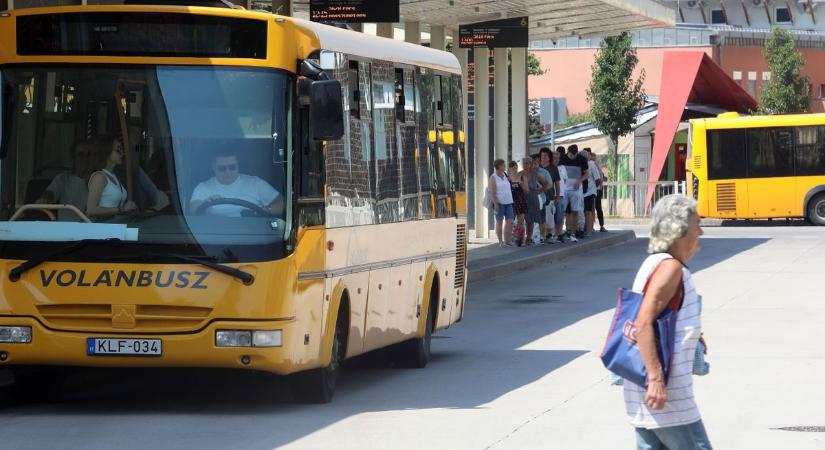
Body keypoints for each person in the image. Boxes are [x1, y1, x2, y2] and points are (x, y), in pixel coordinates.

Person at [624, 194, 711, 449]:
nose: (701, 232)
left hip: (646, 392)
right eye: (697, 223)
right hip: (666, 395)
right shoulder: (670, 269)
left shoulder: (653, 263)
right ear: (680, 229)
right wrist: (656, 379)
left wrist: (694, 334)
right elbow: (643, 322)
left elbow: (663, 317)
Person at [190, 150, 284, 217]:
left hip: (253, 234)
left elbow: (282, 203)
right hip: (215, 236)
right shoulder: (203, 187)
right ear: (213, 167)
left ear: (238, 166)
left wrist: (267, 211)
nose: (228, 172)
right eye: (222, 168)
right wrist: (205, 202)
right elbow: (192, 209)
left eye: (232, 167)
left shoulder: (255, 183)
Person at [37, 142, 95, 220]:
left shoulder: (100, 180)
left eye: (89, 155)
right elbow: (51, 193)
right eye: (81, 155)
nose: (85, 159)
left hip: (90, 229)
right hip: (65, 228)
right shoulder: (63, 179)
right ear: (74, 158)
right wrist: (44, 199)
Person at [86, 139, 137, 218]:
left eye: (121, 150)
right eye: (118, 150)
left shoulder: (114, 176)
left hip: (115, 226)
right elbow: (91, 210)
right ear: (106, 152)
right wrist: (121, 209)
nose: (122, 154)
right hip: (104, 227)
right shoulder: (99, 177)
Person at [559, 144, 588, 242]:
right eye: (570, 155)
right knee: (563, 211)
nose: (571, 157)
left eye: (573, 155)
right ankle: (562, 231)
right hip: (564, 189)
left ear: (576, 153)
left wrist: (579, 181)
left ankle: (573, 232)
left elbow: (587, 173)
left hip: (576, 189)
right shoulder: (562, 158)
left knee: (575, 211)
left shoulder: (581, 159)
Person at [519, 156, 551, 246]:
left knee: (531, 220)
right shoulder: (520, 174)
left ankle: (528, 239)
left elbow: (547, 183)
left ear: (530, 164)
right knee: (522, 220)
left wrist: (540, 190)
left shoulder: (535, 174)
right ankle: (521, 238)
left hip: (533, 197)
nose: (525, 165)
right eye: (523, 163)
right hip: (522, 198)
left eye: (527, 163)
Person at [488, 159, 514, 247]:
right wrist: (496, 204)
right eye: (503, 165)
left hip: (509, 202)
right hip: (499, 203)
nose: (505, 166)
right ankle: (500, 241)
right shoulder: (493, 177)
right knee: (499, 222)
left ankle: (508, 240)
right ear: (498, 166)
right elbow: (492, 192)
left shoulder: (506, 175)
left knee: (510, 221)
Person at [537, 147, 559, 244]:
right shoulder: (537, 168)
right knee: (540, 217)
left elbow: (557, 184)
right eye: (542, 155)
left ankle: (549, 234)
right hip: (538, 196)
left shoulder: (553, 168)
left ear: (549, 157)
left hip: (549, 196)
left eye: (545, 155)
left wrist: (557, 196)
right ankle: (541, 235)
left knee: (549, 217)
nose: (543, 157)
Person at [582, 148, 601, 236]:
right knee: (583, 211)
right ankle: (584, 227)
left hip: (589, 192)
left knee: (588, 211)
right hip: (581, 191)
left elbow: (598, 179)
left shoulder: (591, 164)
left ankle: (589, 229)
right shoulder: (580, 164)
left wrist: (594, 189)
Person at [508, 160, 527, 246]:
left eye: (516, 167)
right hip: (511, 201)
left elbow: (526, 189)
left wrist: (521, 184)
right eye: (512, 167)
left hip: (520, 200)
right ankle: (512, 238)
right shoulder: (508, 178)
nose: (514, 169)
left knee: (521, 221)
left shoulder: (522, 176)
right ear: (509, 169)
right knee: (510, 220)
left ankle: (521, 240)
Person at [551, 147, 569, 243]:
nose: (556, 160)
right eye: (554, 158)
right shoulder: (549, 168)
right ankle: (552, 234)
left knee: (560, 216)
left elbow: (564, 180)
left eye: (558, 158)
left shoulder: (562, 168)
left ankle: (559, 234)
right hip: (551, 195)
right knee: (551, 216)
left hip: (561, 195)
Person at [590, 150, 608, 232]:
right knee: (593, 208)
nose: (593, 159)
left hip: (596, 190)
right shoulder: (593, 165)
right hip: (595, 190)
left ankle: (601, 225)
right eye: (592, 157)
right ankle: (592, 225)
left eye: (594, 158)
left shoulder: (596, 166)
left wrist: (600, 188)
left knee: (597, 208)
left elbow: (600, 178)